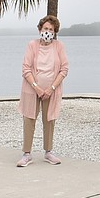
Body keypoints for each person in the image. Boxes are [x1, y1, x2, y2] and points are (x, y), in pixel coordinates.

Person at [17, 15, 69, 167]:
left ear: (55, 32)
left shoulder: (59, 46)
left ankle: (48, 152)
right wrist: (37, 88)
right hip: (32, 90)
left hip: (51, 91)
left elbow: (64, 69)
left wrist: (51, 88)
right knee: (29, 120)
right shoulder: (32, 45)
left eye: (51, 29)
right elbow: (26, 68)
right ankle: (26, 154)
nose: (48, 32)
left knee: (49, 120)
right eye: (45, 28)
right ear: (40, 29)